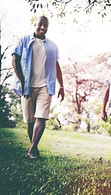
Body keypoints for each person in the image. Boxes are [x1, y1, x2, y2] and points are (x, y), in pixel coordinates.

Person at [12, 16, 65, 159]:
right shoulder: (23, 41)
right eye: (40, 24)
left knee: (41, 118)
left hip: (45, 86)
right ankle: (34, 148)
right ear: (34, 24)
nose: (43, 27)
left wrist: (62, 85)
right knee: (30, 121)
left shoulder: (52, 46)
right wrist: (22, 82)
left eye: (45, 25)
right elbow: (14, 59)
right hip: (27, 86)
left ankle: (31, 150)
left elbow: (56, 65)